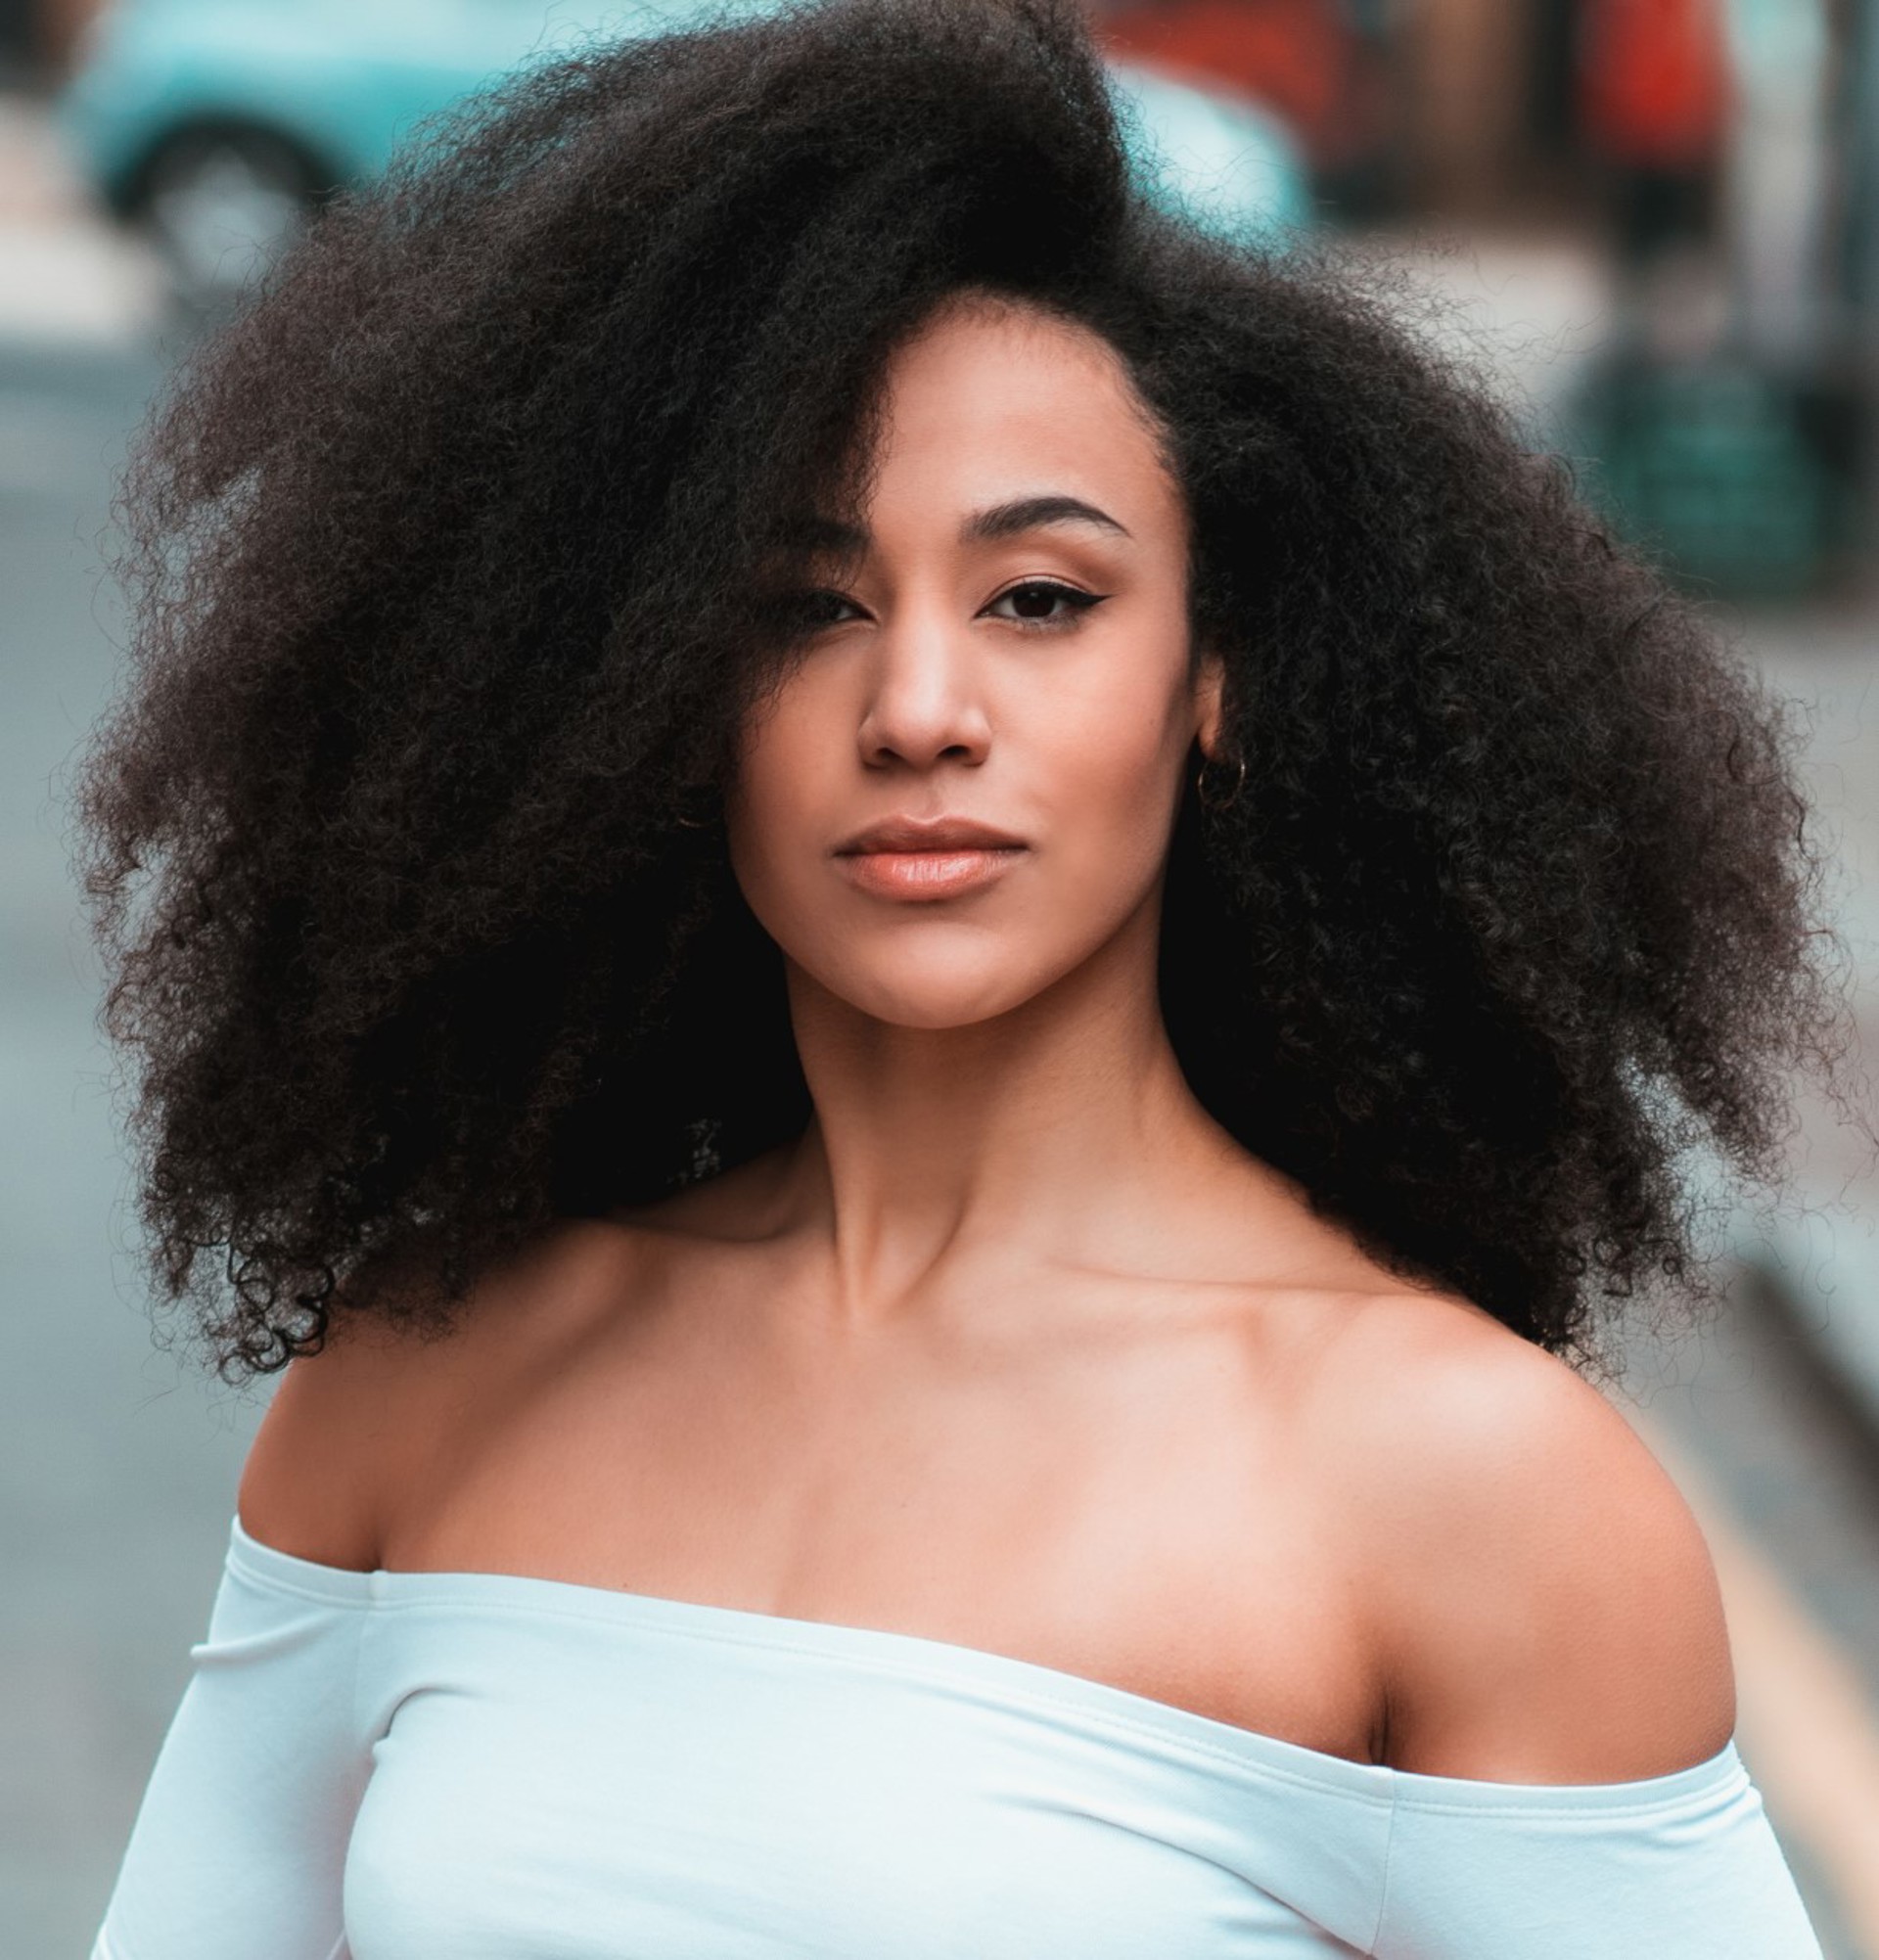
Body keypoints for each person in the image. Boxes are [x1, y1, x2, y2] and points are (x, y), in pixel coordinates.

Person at [78, 0, 1837, 1952]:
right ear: (652, 696)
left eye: (1040, 600)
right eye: (804, 608)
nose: (919, 710)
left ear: (1218, 676)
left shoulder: (1469, 1488)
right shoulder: (429, 1373)